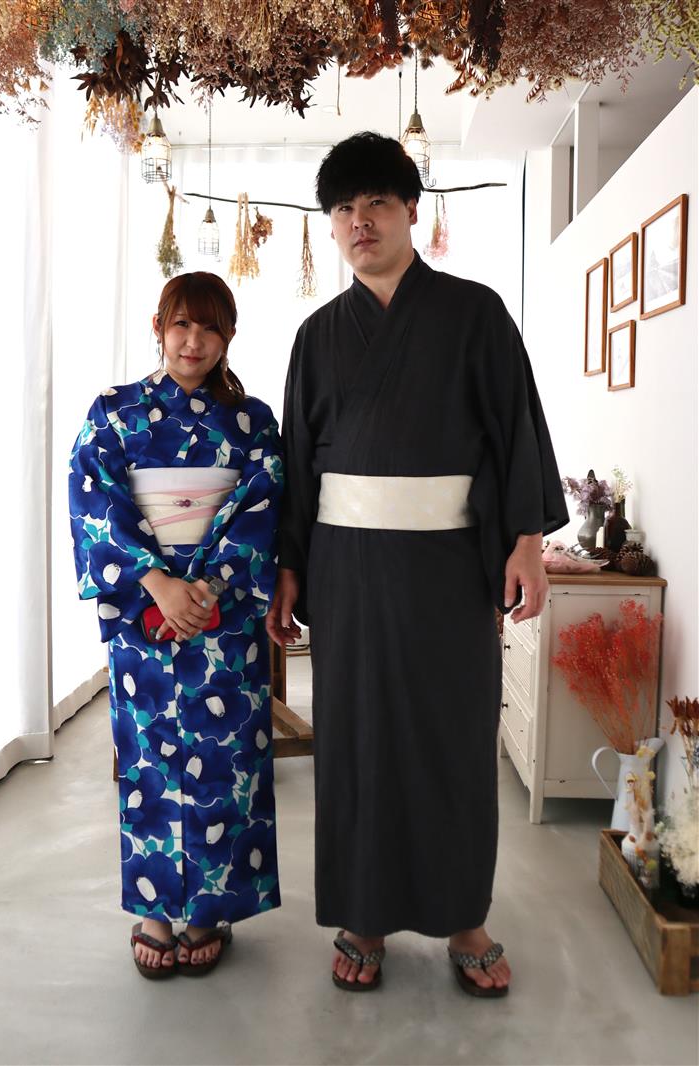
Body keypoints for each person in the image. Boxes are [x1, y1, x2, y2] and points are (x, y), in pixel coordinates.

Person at [266, 133, 568, 996]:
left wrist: (527, 542)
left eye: (377, 204)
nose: (360, 222)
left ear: (410, 211)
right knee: (356, 738)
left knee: (453, 735)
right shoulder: (317, 336)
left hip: (447, 569)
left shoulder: (476, 314)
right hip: (348, 568)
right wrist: (289, 566)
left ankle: (465, 915)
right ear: (332, 226)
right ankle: (363, 915)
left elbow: (515, 432)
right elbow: (297, 465)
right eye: (344, 209)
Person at [70, 272, 283, 979]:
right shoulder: (115, 412)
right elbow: (93, 497)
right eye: (182, 325)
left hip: (222, 616)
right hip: (144, 612)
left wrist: (208, 588)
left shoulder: (252, 421)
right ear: (158, 328)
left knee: (227, 763)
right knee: (149, 762)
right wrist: (157, 583)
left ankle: (208, 912)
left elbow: (264, 505)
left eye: (210, 327)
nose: (194, 341)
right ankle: (156, 910)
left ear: (229, 336)